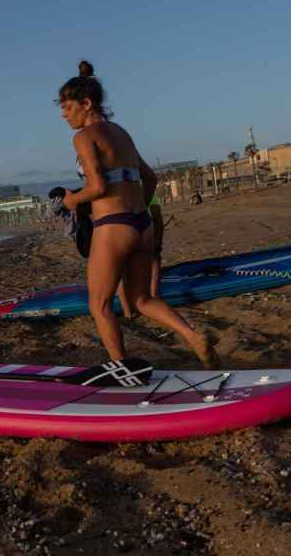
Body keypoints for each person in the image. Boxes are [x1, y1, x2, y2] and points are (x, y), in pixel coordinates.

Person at [58, 60, 216, 368]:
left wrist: (71, 201)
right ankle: (194, 337)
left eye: (67, 108)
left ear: (86, 104)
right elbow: (151, 178)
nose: (64, 115)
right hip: (142, 225)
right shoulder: (121, 133)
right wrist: (138, 212)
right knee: (143, 299)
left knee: (100, 305)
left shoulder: (83, 137)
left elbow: (98, 186)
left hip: (114, 227)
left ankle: (123, 371)